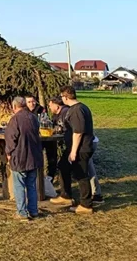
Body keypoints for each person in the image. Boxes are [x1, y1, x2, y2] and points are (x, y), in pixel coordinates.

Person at [51, 86, 95, 214]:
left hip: (81, 148)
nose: (61, 99)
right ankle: (66, 196)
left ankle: (86, 205)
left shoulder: (77, 110)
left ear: (65, 97)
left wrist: (74, 151)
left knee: (81, 174)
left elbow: (78, 132)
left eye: (61, 96)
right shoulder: (77, 108)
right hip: (73, 147)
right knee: (63, 166)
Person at [5, 96, 43, 220]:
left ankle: (22, 212)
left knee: (19, 185)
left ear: (14, 106)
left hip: (20, 157)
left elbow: (11, 139)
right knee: (31, 185)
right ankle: (33, 210)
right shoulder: (33, 117)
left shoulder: (15, 119)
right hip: (34, 156)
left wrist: (8, 153)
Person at [27, 95, 57, 181]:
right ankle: (34, 178)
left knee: (51, 155)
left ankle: (49, 178)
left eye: (33, 101)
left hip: (44, 136)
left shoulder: (40, 109)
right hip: (31, 139)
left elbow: (45, 121)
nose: (32, 104)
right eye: (29, 102)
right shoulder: (23, 111)